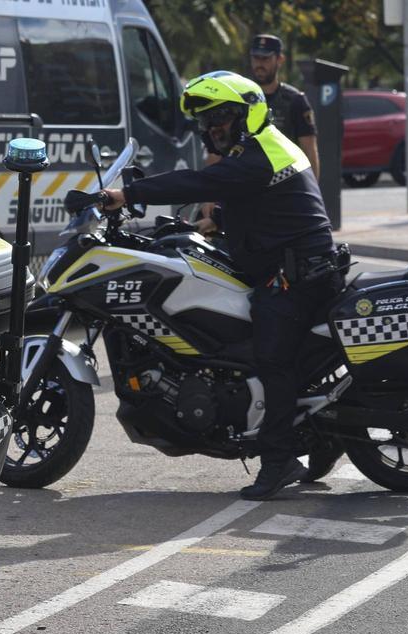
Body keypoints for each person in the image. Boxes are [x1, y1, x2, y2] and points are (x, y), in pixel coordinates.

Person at [98, 71, 342, 501]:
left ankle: (278, 458)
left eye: (221, 119)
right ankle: (319, 440)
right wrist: (217, 222)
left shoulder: (257, 153)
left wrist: (129, 192)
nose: (214, 130)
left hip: (297, 276)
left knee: (271, 358)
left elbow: (199, 181)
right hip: (302, 266)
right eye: (208, 123)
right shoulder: (267, 146)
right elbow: (273, 206)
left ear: (246, 114)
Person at [249, 34, 319, 177]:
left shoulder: (295, 101)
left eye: (266, 58)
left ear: (280, 60)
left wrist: (311, 194)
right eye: (256, 58)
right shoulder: (238, 98)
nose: (259, 64)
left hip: (284, 185)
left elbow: (309, 151)